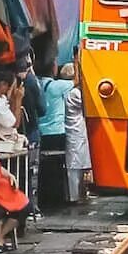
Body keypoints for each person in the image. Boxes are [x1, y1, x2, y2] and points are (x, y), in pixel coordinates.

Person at [35, 65, 73, 207]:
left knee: (44, 168)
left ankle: (44, 198)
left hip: (42, 132)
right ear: (53, 69)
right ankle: (56, 199)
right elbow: (77, 81)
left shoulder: (36, 83)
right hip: (56, 131)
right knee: (57, 167)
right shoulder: (58, 86)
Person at [62, 64, 91, 206]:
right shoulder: (74, 93)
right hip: (75, 131)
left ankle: (80, 193)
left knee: (79, 165)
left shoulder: (74, 91)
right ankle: (74, 196)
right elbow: (87, 105)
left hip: (78, 131)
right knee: (74, 166)